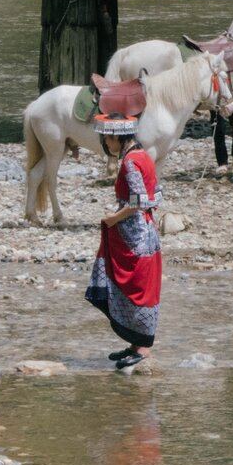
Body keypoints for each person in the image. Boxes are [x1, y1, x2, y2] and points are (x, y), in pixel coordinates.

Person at [85, 114, 161, 370]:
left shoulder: (129, 162)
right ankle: (134, 343)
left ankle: (143, 348)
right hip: (146, 230)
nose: (106, 142)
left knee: (134, 286)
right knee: (138, 285)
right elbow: (156, 195)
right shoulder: (144, 156)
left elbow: (139, 201)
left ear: (117, 136)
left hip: (134, 234)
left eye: (107, 137)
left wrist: (113, 218)